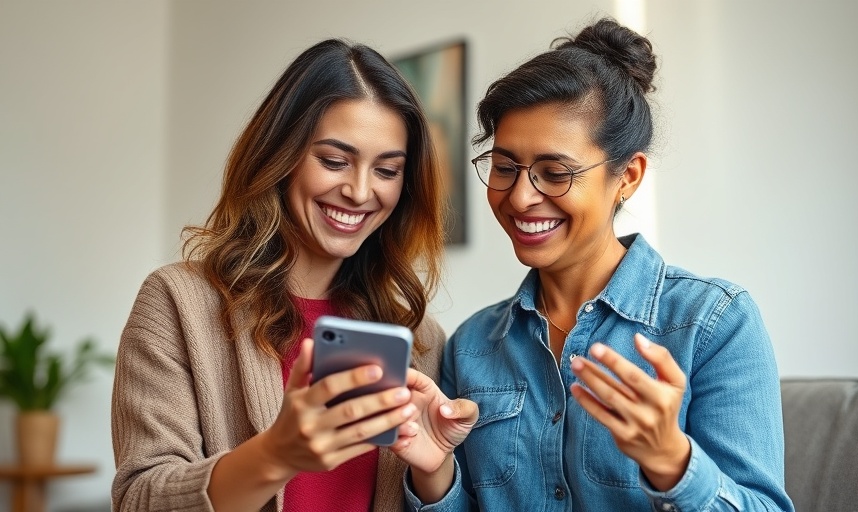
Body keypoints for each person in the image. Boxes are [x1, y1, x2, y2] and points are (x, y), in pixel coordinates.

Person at [405, 17, 795, 511]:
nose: (521, 197)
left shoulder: (714, 323)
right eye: (504, 168)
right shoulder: (473, 345)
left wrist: (672, 461)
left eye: (555, 173)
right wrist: (433, 470)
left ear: (627, 177)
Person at [111, 39, 476, 512]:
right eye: (334, 161)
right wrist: (276, 453)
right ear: (280, 155)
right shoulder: (179, 304)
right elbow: (140, 499)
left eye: (387, 170)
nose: (360, 190)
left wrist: (435, 472)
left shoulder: (418, 338)